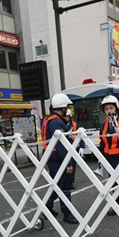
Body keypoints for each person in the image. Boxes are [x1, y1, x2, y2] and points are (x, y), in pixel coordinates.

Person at [42, 93, 78, 224]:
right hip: (58, 159)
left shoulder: (49, 119)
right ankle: (66, 213)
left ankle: (47, 208)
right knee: (64, 187)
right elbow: (61, 144)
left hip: (52, 157)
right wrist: (68, 163)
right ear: (62, 107)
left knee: (56, 185)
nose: (67, 109)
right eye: (66, 106)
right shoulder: (56, 122)